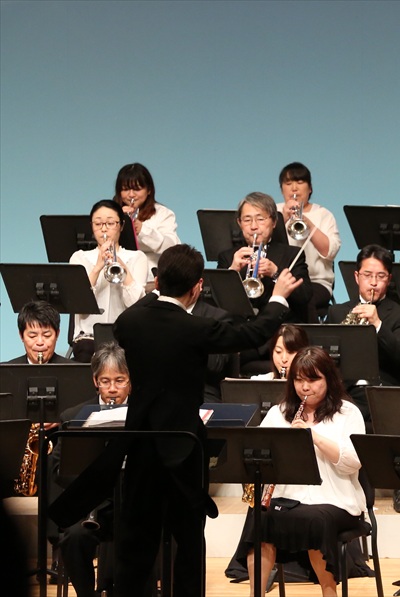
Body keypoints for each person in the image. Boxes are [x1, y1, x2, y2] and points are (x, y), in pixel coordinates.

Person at [46, 244, 303, 596]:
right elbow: (252, 334)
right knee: (188, 543)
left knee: (136, 544)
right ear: (197, 288)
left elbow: (132, 317)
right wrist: (277, 298)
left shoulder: (130, 323)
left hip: (141, 447)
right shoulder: (195, 328)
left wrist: (156, 292)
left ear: (157, 282)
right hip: (184, 450)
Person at [234, 346, 366, 597]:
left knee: (315, 519)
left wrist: (311, 435)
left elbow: (353, 461)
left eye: (313, 380)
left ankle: (329, 593)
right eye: (298, 380)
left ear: (329, 379)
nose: (305, 387)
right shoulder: (279, 413)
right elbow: (257, 450)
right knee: (259, 517)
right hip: (288, 497)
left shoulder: (347, 413)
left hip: (336, 501)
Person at [54, 343, 133, 597]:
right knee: (74, 537)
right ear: (95, 381)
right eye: (105, 381)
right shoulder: (74, 416)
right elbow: (58, 468)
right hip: (93, 505)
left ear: (130, 381)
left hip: (133, 502)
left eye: (120, 380)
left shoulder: (145, 415)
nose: (112, 389)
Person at [326, 244, 400, 423]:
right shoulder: (337, 312)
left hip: (383, 394)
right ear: (356, 277)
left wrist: (378, 324)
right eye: (367, 275)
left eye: (380, 276)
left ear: (389, 279)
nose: (373, 282)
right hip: (345, 393)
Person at [69, 200, 148, 362]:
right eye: (98, 224)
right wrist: (97, 268)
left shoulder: (137, 258)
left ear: (121, 226)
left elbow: (136, 305)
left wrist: (121, 267)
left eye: (110, 223)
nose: (104, 229)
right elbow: (78, 303)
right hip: (88, 339)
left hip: (125, 338)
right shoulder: (80, 258)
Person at [218, 192, 313, 325]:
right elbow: (217, 303)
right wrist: (232, 271)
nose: (253, 226)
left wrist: (275, 273)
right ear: (239, 223)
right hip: (240, 328)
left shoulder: (292, 254)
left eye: (260, 219)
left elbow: (304, 296)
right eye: (247, 220)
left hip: (278, 327)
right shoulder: (227, 257)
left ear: (274, 222)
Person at [277, 162, 342, 321]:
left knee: (303, 299)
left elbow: (330, 252)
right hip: (278, 278)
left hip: (317, 282)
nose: (294, 188)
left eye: (300, 182)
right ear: (282, 189)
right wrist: (283, 218)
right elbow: (265, 245)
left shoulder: (324, 215)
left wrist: (308, 223)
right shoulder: (274, 212)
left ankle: (309, 337)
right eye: (288, 184)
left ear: (310, 188)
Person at [113, 163, 180, 285]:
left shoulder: (163, 213)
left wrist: (142, 230)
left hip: (151, 280)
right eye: (126, 189)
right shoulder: (111, 213)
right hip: (117, 279)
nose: (131, 195)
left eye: (137, 189)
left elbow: (172, 246)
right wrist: (115, 220)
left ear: (149, 190)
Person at [6, 301, 71, 364]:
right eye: (32, 336)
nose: (40, 342)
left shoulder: (73, 369)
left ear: (57, 334)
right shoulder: (6, 370)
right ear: (21, 335)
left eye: (47, 335)